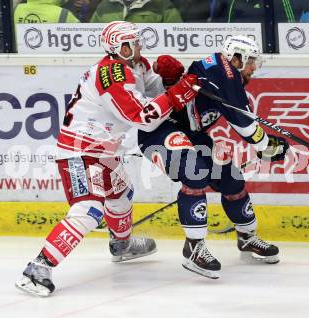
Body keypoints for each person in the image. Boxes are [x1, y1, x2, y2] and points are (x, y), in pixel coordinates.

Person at [15, 20, 198, 297]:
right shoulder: (111, 74)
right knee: (89, 209)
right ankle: (38, 268)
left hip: (104, 152)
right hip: (78, 151)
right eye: (133, 42)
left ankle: (121, 246)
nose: (139, 45)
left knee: (121, 193)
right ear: (119, 47)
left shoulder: (136, 65)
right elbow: (143, 118)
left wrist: (168, 81)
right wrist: (175, 96)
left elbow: (152, 91)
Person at [138, 35, 289, 279]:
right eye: (251, 62)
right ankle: (194, 248)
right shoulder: (225, 72)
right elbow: (243, 123)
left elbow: (243, 118)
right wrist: (266, 145)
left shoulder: (224, 72)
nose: (254, 68)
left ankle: (247, 237)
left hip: (192, 134)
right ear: (237, 58)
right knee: (194, 173)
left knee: (231, 178)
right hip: (159, 133)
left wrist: (265, 144)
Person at [89, 0, 182, 23]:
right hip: (113, 68)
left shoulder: (162, 5)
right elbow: (92, 39)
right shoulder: (105, 5)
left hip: (150, 67)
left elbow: (178, 39)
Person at [14, 0, 80, 24]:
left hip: (19, 55)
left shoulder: (15, 9)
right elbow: (83, 37)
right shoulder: (64, 14)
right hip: (53, 55)